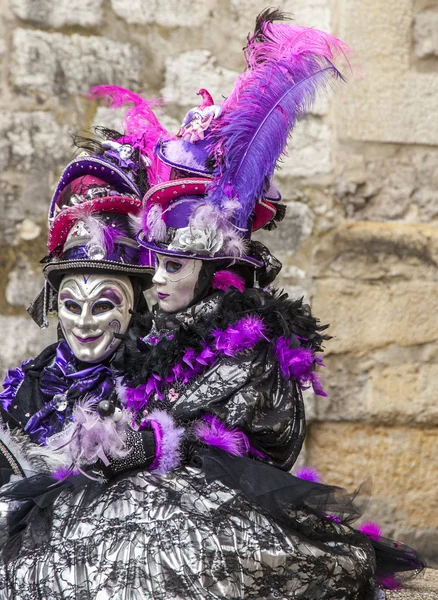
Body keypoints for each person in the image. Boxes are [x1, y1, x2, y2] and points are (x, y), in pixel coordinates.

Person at [0, 9, 423, 600]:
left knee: (159, 556)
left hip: (221, 494)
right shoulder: (155, 331)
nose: (159, 278)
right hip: (148, 489)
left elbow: (189, 422)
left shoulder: (245, 340)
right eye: (156, 264)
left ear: (210, 271)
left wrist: (136, 441)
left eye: (173, 266)